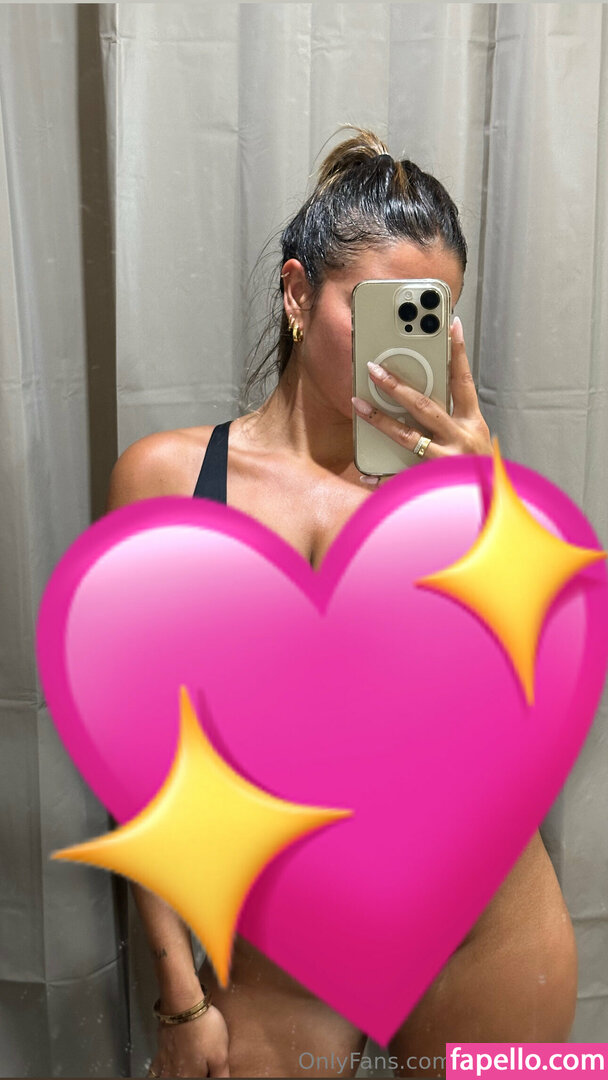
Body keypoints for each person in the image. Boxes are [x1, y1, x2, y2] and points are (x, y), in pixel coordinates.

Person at [106, 129, 577, 1079]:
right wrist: (180, 997)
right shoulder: (171, 480)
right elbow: (139, 760)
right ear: (296, 294)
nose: (403, 350)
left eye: (430, 314)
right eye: (379, 309)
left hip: (488, 930)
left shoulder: (456, 493)